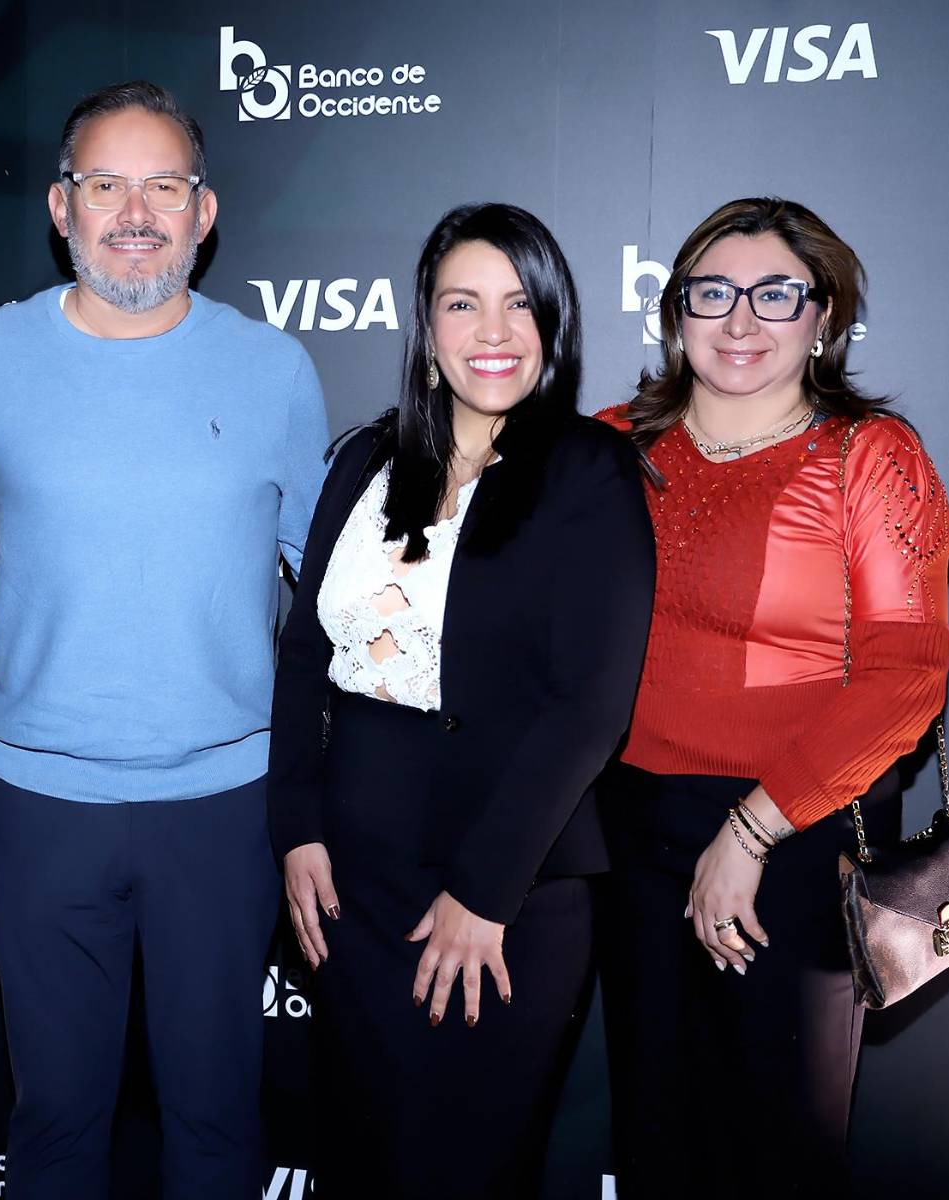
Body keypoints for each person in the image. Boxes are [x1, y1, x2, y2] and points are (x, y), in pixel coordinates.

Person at [0, 81, 329, 1200]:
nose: (135, 211)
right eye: (104, 184)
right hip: (37, 803)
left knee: (214, 1120)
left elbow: (334, 605)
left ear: (202, 213)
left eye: (163, 184)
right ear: (60, 208)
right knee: (55, 1118)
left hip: (224, 808)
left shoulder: (274, 370)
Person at [268, 202, 656, 1199]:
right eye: (462, 303)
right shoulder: (362, 458)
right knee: (360, 1160)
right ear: (426, 324)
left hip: (507, 890)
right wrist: (296, 828)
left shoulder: (590, 472)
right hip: (350, 884)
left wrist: (485, 893)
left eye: (518, 305)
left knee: (463, 1170)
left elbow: (589, 706)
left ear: (554, 324)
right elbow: (305, 650)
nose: (491, 332)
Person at [595, 197, 949, 1198]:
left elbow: (906, 676)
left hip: (797, 836)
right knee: (654, 1135)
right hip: (628, 833)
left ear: (824, 316)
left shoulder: (870, 459)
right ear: (675, 313)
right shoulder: (610, 447)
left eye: (774, 294)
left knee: (777, 1154)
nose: (740, 320)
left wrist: (748, 835)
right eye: (712, 293)